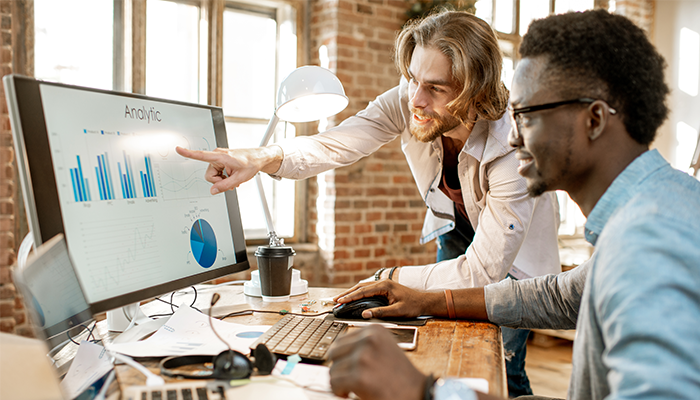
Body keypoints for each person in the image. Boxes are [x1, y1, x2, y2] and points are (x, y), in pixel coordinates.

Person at [177, 10, 561, 396]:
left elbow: (483, 273)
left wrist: (388, 279)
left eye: (436, 88)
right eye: (412, 79)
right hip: (457, 228)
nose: (416, 99)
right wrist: (261, 158)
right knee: (447, 334)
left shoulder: (513, 144)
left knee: (499, 357)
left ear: (474, 90)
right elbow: (339, 142)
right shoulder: (410, 97)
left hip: (513, 258)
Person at [327, 9, 700, 400]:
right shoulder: (650, 210)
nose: (513, 139)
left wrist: (422, 391)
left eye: (525, 115)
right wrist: (428, 299)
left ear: (593, 120)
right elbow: (560, 295)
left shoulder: (653, 242)